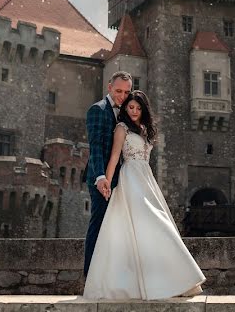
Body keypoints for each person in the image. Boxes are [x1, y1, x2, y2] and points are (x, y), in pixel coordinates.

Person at [83, 90, 206, 300]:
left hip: (146, 178)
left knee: (157, 227)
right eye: (130, 107)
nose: (133, 111)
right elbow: (113, 158)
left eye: (138, 108)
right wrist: (107, 184)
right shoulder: (121, 128)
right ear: (125, 108)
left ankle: (173, 282)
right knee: (146, 225)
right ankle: (136, 286)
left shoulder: (145, 129)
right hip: (129, 178)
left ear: (144, 110)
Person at [83, 71, 133, 277]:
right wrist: (100, 177)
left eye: (127, 92)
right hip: (101, 179)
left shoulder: (128, 113)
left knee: (118, 228)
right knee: (99, 224)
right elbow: (95, 147)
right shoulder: (98, 109)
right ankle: (90, 276)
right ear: (109, 88)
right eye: (119, 91)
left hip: (122, 180)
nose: (122, 96)